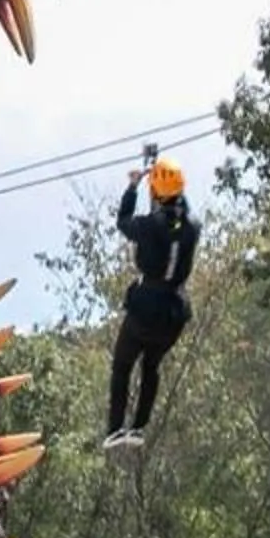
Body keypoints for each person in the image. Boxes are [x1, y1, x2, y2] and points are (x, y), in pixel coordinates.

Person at [104, 154, 199, 446]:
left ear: (157, 192)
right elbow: (174, 217)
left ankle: (116, 429)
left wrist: (133, 187)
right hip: (174, 310)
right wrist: (162, 186)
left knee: (122, 366)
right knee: (151, 367)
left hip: (146, 306)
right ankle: (139, 428)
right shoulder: (193, 225)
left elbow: (123, 222)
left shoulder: (149, 225)